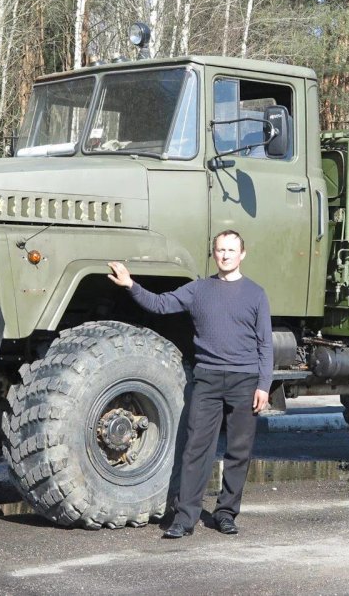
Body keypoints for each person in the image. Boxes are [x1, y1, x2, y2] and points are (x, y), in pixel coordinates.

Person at [107, 230, 272, 539]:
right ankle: (185, 518)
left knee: (238, 451)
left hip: (244, 381)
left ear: (242, 254)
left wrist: (263, 385)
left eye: (231, 250)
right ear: (214, 253)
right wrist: (131, 284)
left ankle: (226, 514)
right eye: (220, 250)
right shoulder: (198, 290)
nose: (225, 255)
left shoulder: (256, 294)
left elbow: (265, 344)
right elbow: (159, 304)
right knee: (196, 449)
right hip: (208, 378)